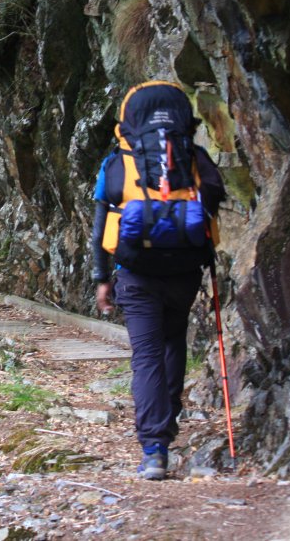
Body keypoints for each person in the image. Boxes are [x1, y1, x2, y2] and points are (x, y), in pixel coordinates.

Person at [90, 81, 225, 480]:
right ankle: (165, 429)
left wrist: (102, 278)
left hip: (136, 273)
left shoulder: (119, 161)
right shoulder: (193, 156)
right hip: (183, 272)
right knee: (173, 342)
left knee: (146, 355)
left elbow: (103, 221)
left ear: (130, 119)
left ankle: (154, 449)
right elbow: (214, 196)